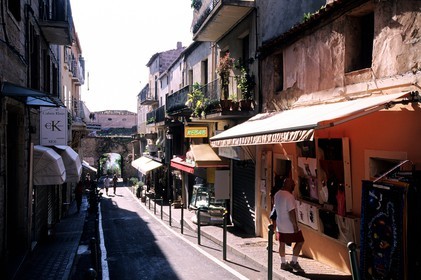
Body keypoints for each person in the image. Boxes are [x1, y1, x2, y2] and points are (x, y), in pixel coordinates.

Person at [271, 178, 305, 273]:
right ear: (289, 185)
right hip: (289, 225)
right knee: (300, 241)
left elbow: (275, 207)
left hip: (280, 224)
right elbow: (291, 212)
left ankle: (283, 263)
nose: (294, 186)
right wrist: (295, 225)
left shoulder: (277, 194)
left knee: (282, 243)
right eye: (293, 184)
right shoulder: (289, 197)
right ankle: (294, 262)